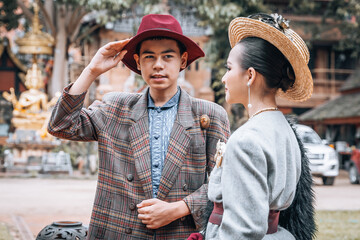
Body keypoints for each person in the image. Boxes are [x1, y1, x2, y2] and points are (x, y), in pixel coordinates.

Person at [47, 14, 230, 239]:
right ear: (138, 61)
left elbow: (226, 181)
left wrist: (179, 208)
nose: (158, 65)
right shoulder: (115, 108)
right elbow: (61, 125)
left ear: (183, 61)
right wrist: (92, 70)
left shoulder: (209, 115)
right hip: (120, 231)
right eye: (149, 56)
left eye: (168, 56)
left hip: (181, 232)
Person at [204, 13, 316, 240]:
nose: (224, 78)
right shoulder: (284, 129)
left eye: (228, 68)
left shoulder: (247, 139)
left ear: (250, 75)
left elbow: (241, 232)